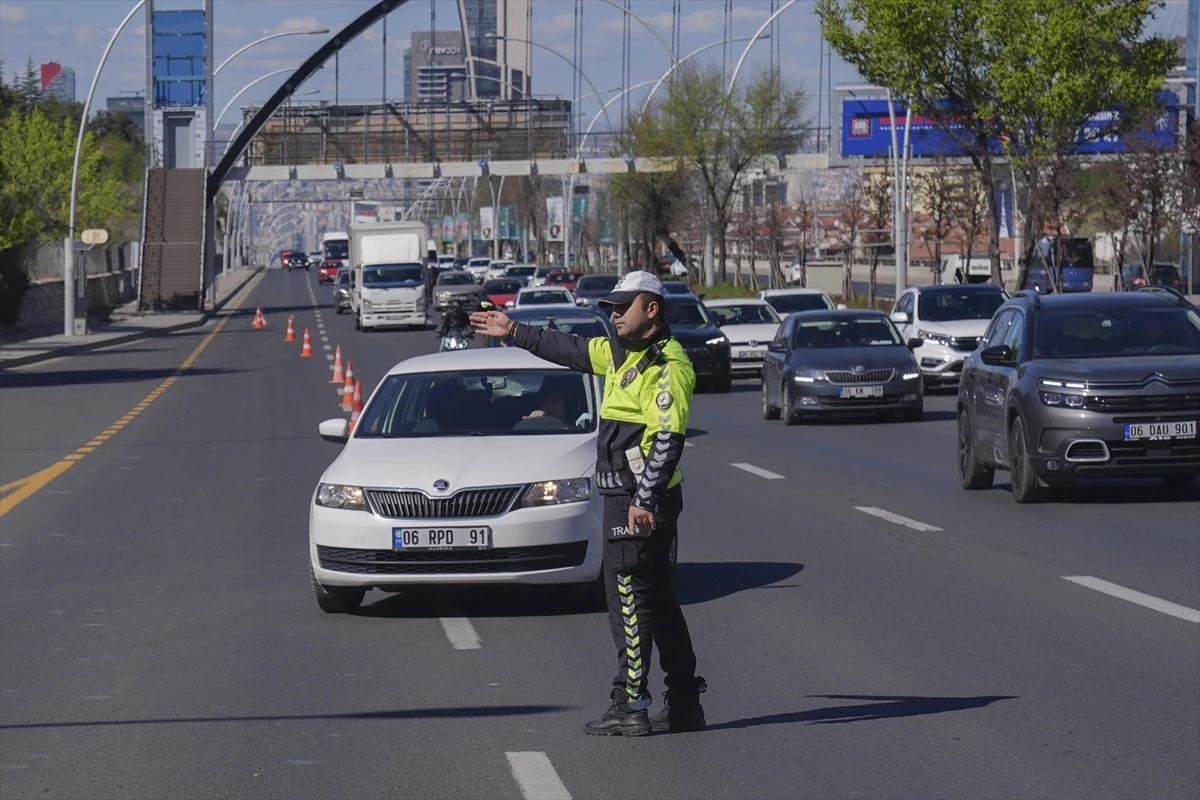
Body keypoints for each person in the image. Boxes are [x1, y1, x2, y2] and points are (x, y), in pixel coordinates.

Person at [471, 270, 706, 737]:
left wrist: (643, 499)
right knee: (657, 599)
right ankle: (683, 701)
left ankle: (630, 704)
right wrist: (513, 330)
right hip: (635, 498)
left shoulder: (667, 367)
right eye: (611, 308)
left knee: (628, 601)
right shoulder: (622, 354)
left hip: (637, 502)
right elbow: (571, 349)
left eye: (623, 307)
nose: (614, 315)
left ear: (652, 309)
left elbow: (666, 440)